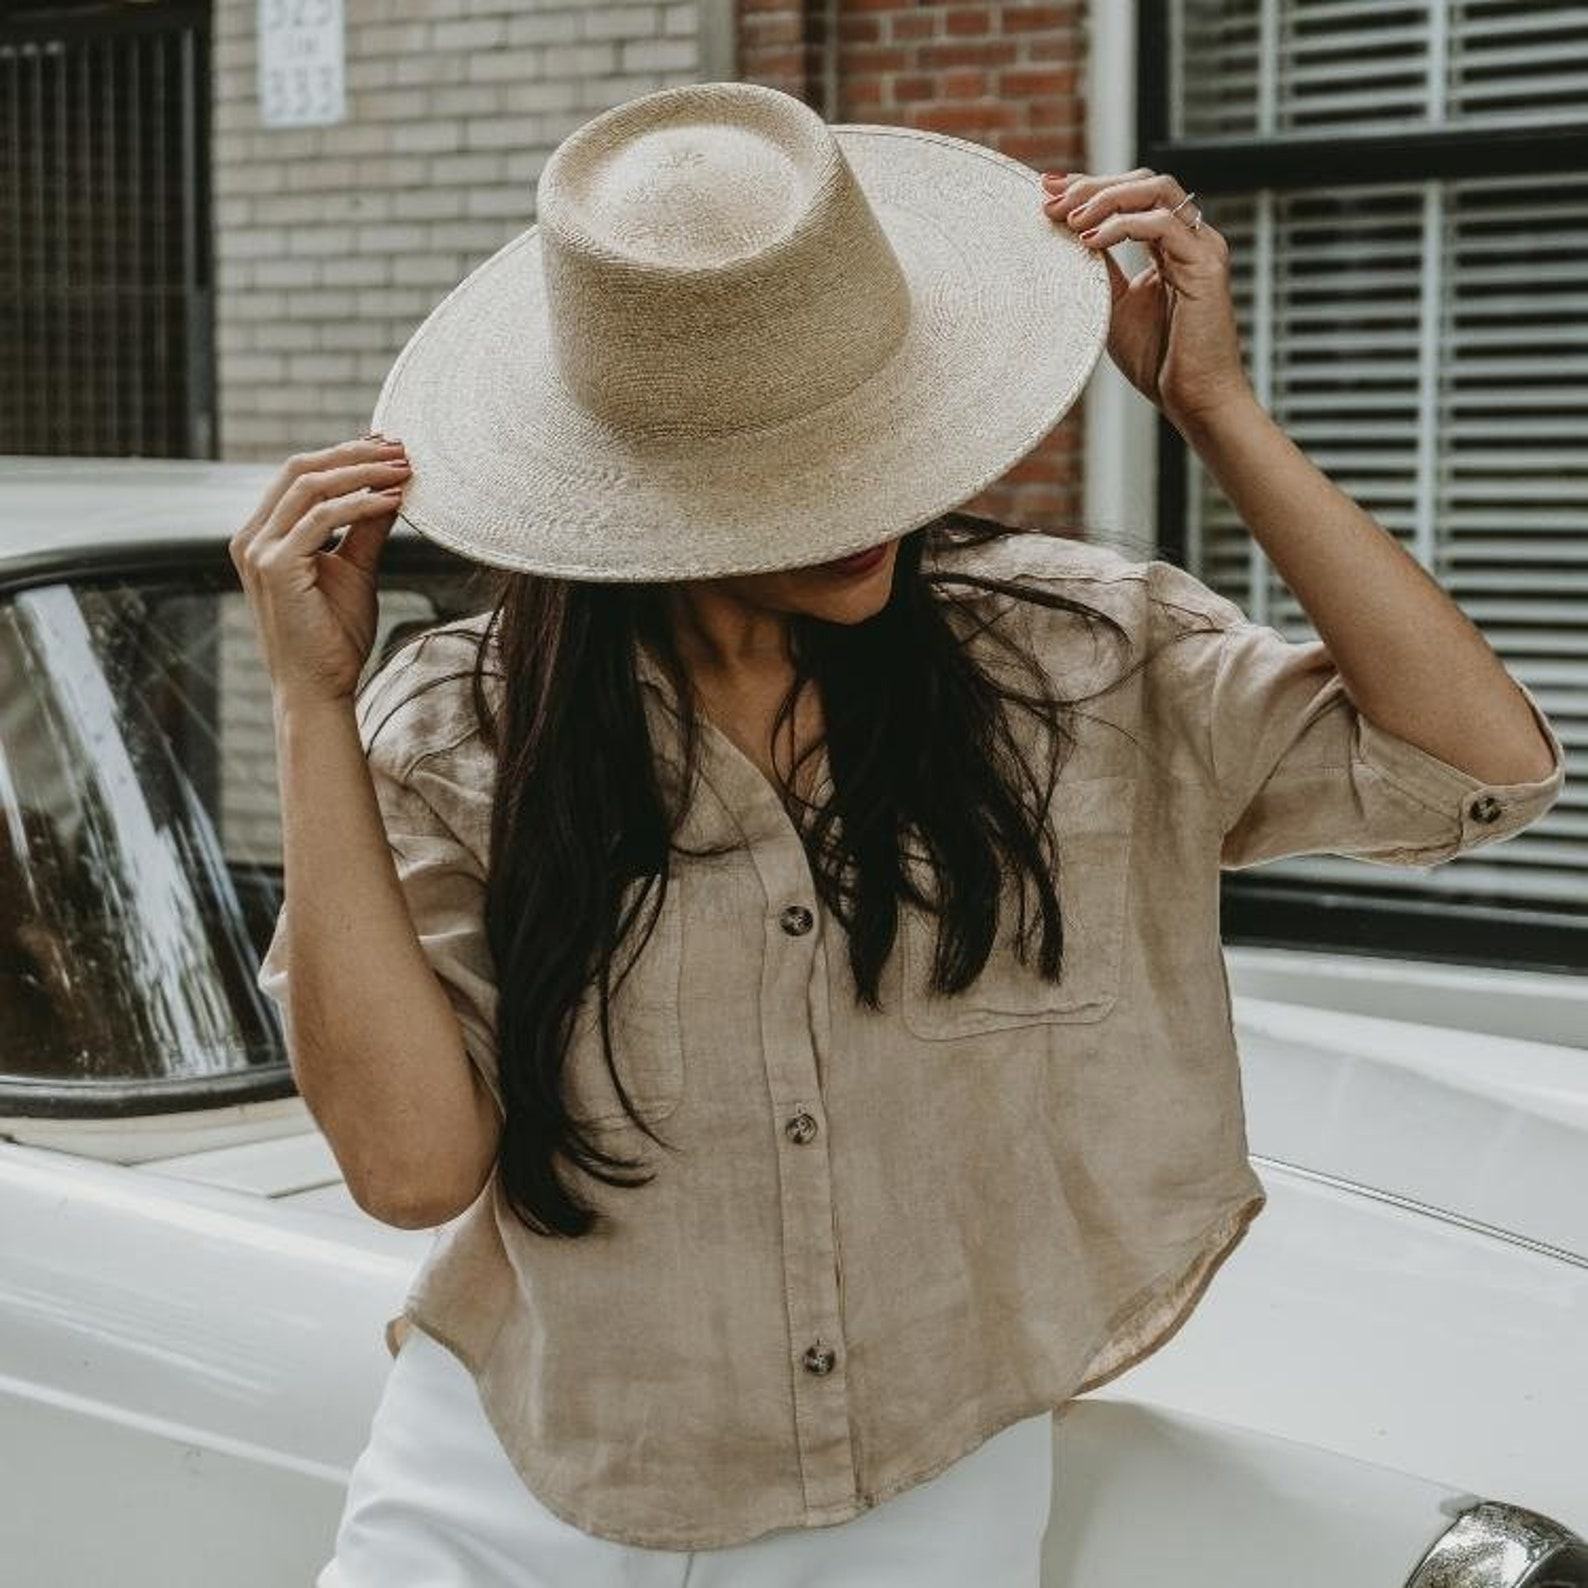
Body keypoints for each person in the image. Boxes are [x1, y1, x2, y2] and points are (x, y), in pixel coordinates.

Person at [235, 82, 1565, 1586]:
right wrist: (307, 703)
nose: (874, 498)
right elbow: (411, 1169)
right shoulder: (462, 726)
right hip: (517, 1469)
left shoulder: (1074, 661)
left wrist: (1219, 411)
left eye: (876, 433)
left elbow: (1474, 768)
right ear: (646, 483)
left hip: (920, 1487)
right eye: (794, 468)